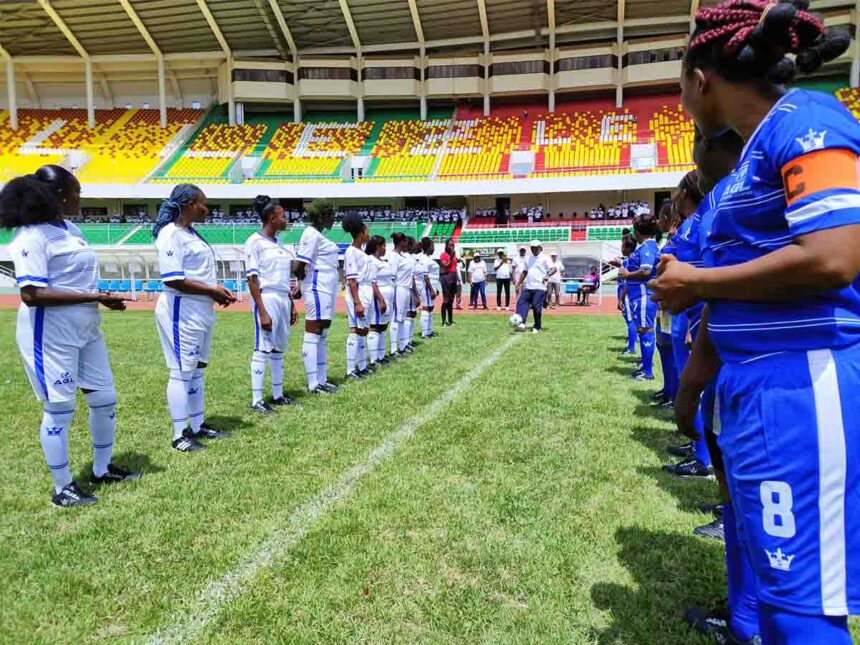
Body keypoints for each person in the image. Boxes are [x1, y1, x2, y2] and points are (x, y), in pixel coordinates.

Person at [652, 2, 857, 643]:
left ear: (700, 79)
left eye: (679, 86)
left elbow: (835, 256)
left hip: (803, 382)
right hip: (754, 385)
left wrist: (696, 282)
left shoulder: (809, 118)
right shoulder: (750, 158)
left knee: (800, 606)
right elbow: (739, 291)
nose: (681, 102)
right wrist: (693, 385)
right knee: (774, 586)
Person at [2, 166, 139, 507]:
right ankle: (62, 487)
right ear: (61, 196)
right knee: (60, 408)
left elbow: (74, 281)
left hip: (86, 328)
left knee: (104, 398)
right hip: (51, 333)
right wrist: (93, 296)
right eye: (77, 192)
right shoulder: (31, 236)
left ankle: (102, 469)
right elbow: (32, 294)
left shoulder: (71, 230)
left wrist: (99, 298)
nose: (81, 198)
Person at [154, 184, 236, 453]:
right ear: (190, 204)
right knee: (182, 372)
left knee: (197, 369)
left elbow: (196, 274)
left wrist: (215, 290)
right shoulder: (170, 234)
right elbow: (174, 279)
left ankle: (198, 425)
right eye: (203, 203)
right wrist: (212, 291)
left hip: (200, 309)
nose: (206, 208)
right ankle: (179, 435)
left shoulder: (190, 233)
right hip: (182, 309)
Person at [245, 195, 297, 414]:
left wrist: (291, 303)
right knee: (263, 347)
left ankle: (278, 394)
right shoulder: (254, 242)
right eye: (282, 216)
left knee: (278, 348)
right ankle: (257, 400)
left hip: (283, 297)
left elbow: (284, 277)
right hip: (267, 298)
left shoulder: (280, 244)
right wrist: (262, 311)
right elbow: (252, 279)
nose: (286, 219)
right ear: (271, 218)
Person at [293, 199, 340, 394]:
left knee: (322, 334)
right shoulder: (311, 234)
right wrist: (301, 284)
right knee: (313, 333)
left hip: (326, 288)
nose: (334, 218)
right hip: (317, 287)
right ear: (322, 216)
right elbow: (298, 265)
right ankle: (313, 383)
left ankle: (322, 379)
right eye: (332, 214)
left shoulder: (320, 235)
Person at [618, 213, 660, 381]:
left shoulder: (648, 247)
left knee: (645, 330)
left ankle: (647, 372)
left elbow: (646, 270)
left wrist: (627, 274)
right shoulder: (644, 247)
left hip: (644, 296)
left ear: (639, 230)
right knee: (642, 330)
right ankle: (644, 366)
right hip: (639, 296)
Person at [342, 213, 373, 380]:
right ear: (361, 233)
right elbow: (352, 280)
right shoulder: (351, 251)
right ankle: (350, 370)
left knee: (363, 330)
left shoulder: (361, 252)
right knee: (356, 330)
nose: (369, 234)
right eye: (367, 231)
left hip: (365, 292)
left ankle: (362, 366)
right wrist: (357, 302)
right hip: (358, 293)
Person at [514, 240, 557, 334]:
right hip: (529, 287)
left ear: (540, 248)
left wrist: (547, 275)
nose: (534, 249)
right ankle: (522, 322)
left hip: (540, 287)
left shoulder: (545, 258)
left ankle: (537, 326)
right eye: (532, 248)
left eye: (536, 248)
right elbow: (525, 272)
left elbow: (554, 269)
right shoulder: (528, 258)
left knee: (536, 306)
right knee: (521, 302)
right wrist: (518, 283)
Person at [367, 235, 393, 365]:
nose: (385, 248)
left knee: (383, 326)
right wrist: (381, 299)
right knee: (375, 326)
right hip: (379, 296)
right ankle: (373, 359)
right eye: (384, 246)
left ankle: (381, 356)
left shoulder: (382, 261)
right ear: (377, 246)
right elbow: (372, 282)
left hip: (388, 296)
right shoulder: (371, 261)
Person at [388, 232, 413, 356]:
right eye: (405, 242)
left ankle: (402, 346)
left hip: (406, 289)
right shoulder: (393, 256)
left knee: (402, 318)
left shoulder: (402, 256)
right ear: (401, 242)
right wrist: (393, 295)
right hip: (399, 289)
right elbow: (392, 277)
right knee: (396, 319)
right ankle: (393, 349)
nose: (407, 244)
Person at [417, 236, 440, 338]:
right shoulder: (424, 259)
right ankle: (424, 333)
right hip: (427, 286)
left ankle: (429, 331)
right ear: (428, 247)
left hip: (432, 285)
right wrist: (431, 289)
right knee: (426, 307)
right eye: (432, 246)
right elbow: (425, 276)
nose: (434, 248)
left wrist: (435, 288)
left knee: (430, 307)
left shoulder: (427, 258)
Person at [438, 238, 458, 325]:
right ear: (446, 246)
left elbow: (454, 264)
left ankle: (450, 320)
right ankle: (443, 321)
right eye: (450, 245)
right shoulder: (444, 255)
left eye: (453, 245)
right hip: (446, 277)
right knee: (446, 299)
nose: (452, 246)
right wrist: (451, 257)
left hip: (453, 276)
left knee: (451, 299)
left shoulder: (454, 254)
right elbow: (445, 265)